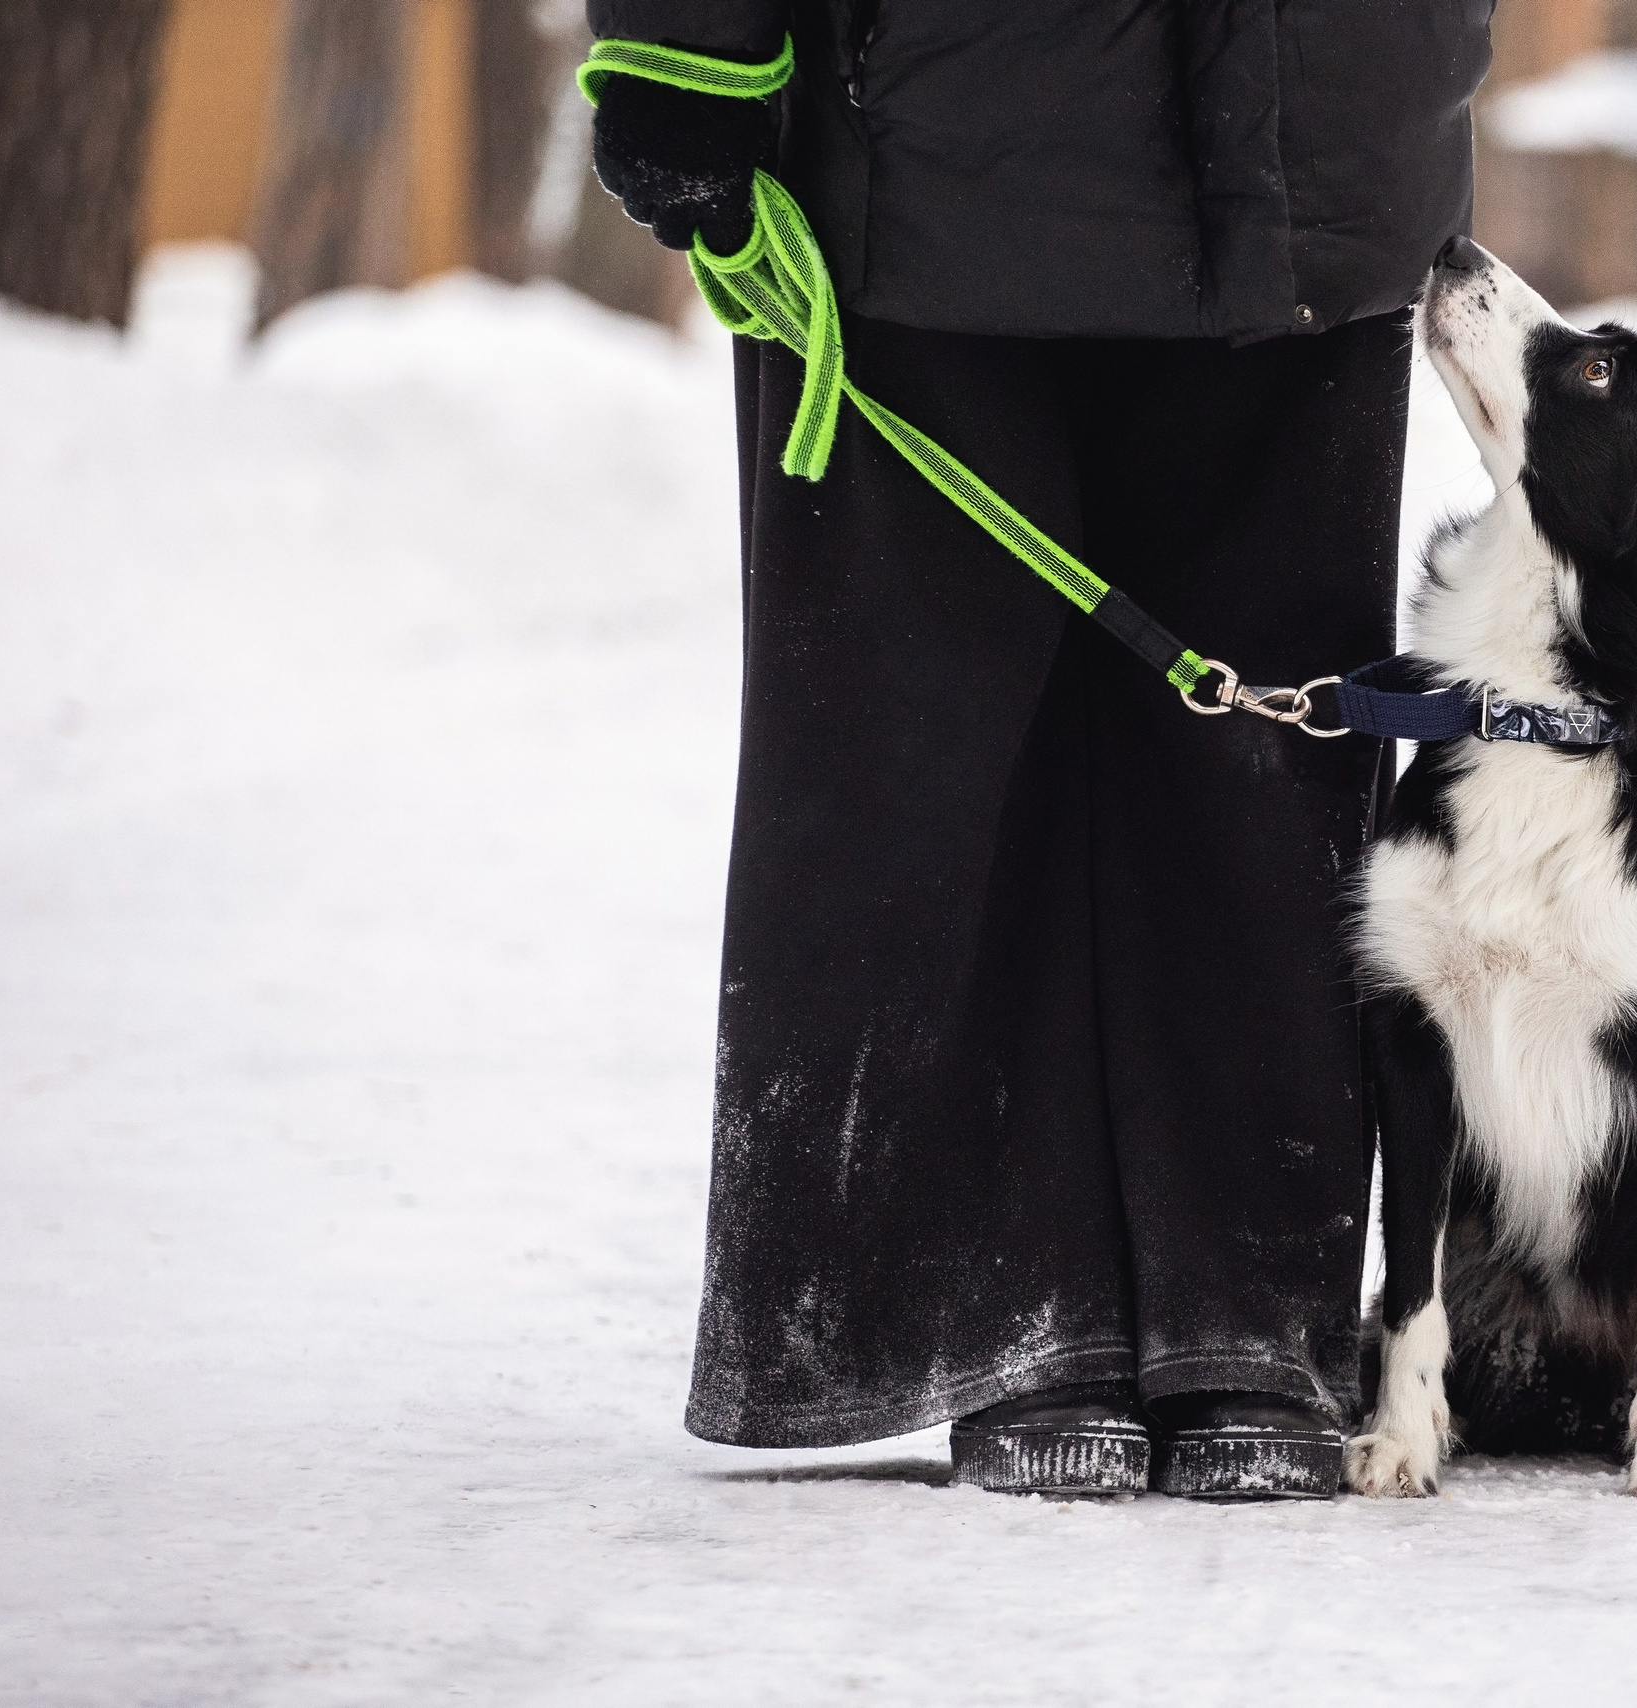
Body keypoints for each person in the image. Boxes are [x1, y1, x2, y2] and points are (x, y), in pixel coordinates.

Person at [586, 0, 1493, 1497]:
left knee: (1263, 772)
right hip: (937, 128)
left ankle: (1247, 1309)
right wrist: (685, 55)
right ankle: (1011, 1304)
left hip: (1321, 120)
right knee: (939, 751)